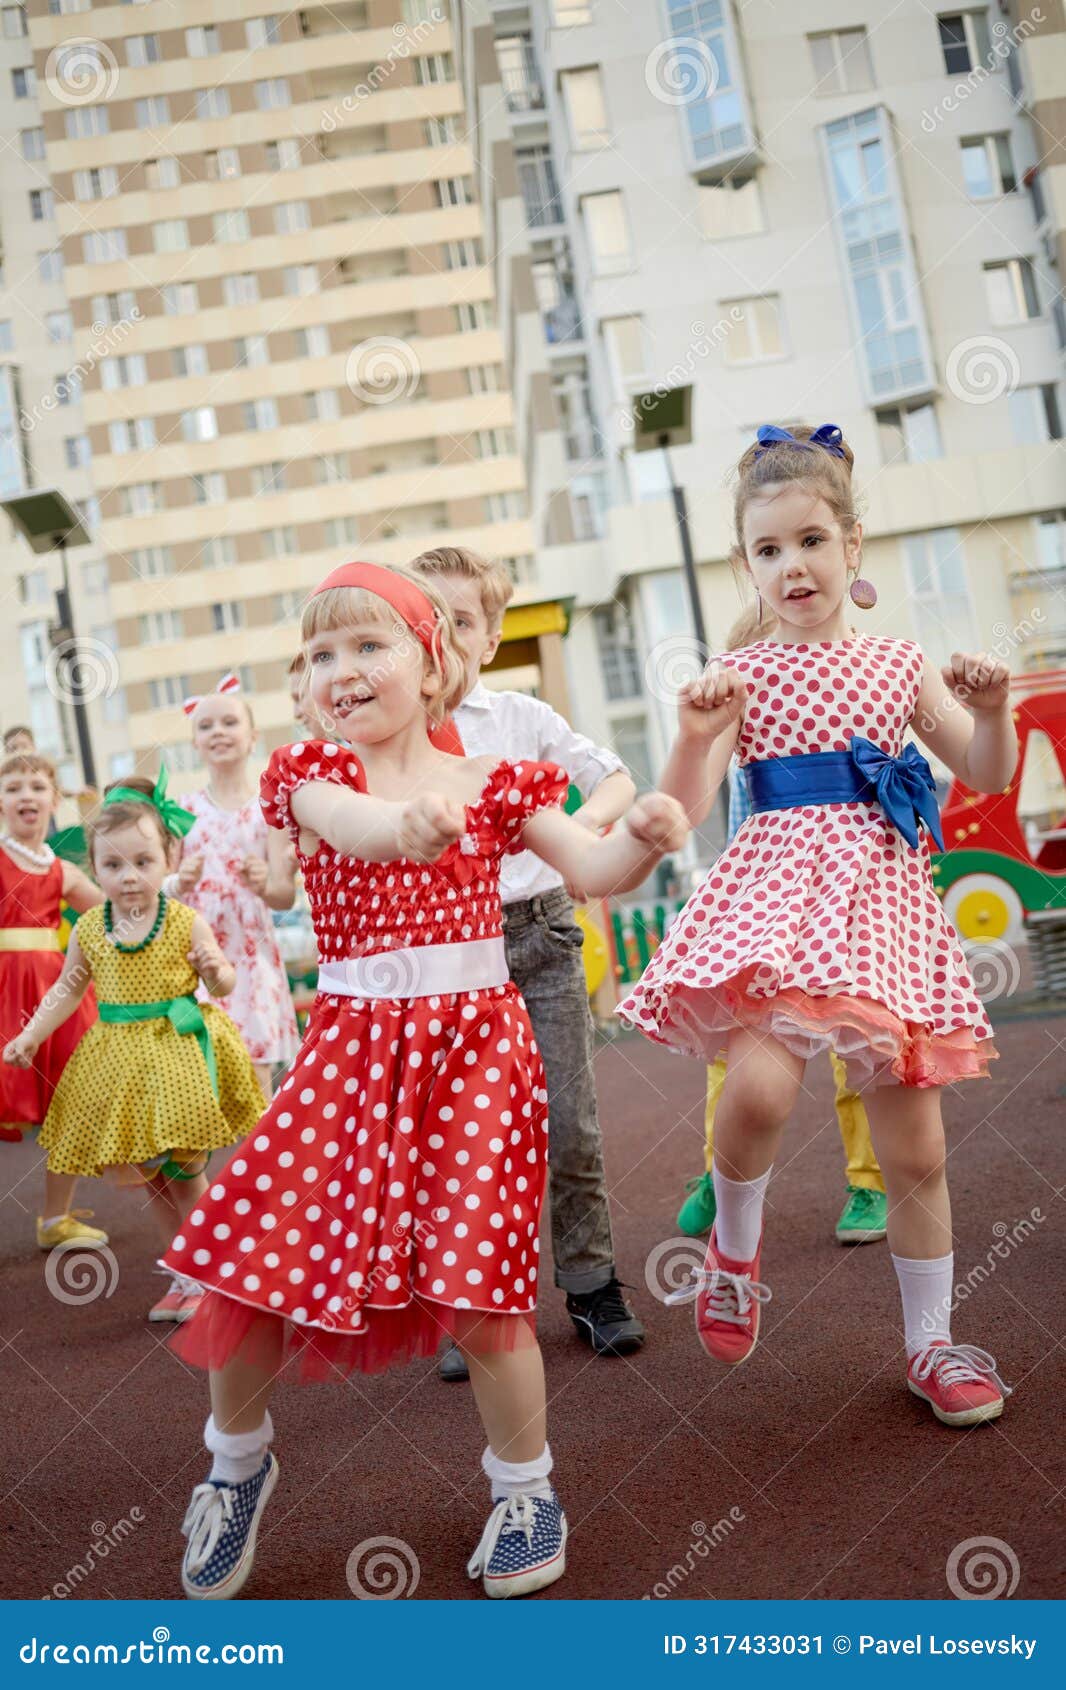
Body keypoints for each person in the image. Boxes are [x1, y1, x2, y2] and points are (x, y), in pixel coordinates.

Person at [159, 561, 687, 1601]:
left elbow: (590, 866)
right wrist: (399, 830)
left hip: (475, 1053)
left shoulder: (496, 779)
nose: (338, 671)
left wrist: (648, 834)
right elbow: (354, 827)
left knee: (482, 1282)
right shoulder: (311, 775)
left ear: (431, 660)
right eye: (317, 655)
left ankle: (525, 1490)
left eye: (366, 645)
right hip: (351, 1048)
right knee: (247, 1261)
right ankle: (235, 1466)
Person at [618, 422, 1018, 1430]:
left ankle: (931, 1342)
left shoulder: (895, 661)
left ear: (851, 546)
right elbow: (680, 805)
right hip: (776, 905)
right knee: (753, 1094)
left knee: (914, 1146)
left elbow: (980, 772)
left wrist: (997, 708)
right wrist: (691, 732)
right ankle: (734, 1254)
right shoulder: (737, 675)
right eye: (767, 549)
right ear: (746, 565)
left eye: (808, 540)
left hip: (884, 910)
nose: (790, 565)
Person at [411, 545, 646, 1379]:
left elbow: (611, 776)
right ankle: (470, 1305)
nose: (440, 641)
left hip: (538, 936)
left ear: (491, 634)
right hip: (445, 950)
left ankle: (590, 1282)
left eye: (460, 623)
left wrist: (580, 830)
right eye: (423, 624)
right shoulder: (396, 735)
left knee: (567, 1120)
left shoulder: (523, 720)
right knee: (459, 1139)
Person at [4, 773, 265, 1323]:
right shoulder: (91, 929)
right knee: (152, 1176)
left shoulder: (183, 921)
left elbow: (223, 985)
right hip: (123, 1068)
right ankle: (182, 1272)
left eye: (143, 863)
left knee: (186, 1173)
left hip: (178, 1061)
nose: (128, 878)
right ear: (94, 868)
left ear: (168, 858)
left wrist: (215, 971)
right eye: (114, 866)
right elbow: (67, 988)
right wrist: (30, 1035)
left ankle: (209, 1271)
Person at [678, 620, 887, 1249]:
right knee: (735, 1050)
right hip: (765, 898)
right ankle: (724, 1168)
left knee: (860, 1037)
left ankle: (870, 1181)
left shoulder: (862, 683)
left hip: (845, 896)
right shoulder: (749, 707)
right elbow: (719, 810)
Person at [167, 676, 300, 1102]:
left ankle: (257, 1159)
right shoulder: (182, 812)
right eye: (206, 726)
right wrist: (178, 881)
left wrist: (266, 883)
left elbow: (285, 895)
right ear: (194, 743)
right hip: (198, 958)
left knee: (255, 1077)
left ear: (252, 737)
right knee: (202, 1065)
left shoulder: (269, 809)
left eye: (229, 722)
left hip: (251, 955)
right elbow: (160, 894)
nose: (218, 732)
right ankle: (209, 1166)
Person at [0, 750, 105, 1248]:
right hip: (3, 992)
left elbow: (114, 913)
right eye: (14, 787)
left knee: (69, 1103)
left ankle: (54, 1219)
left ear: (54, 800)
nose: (26, 796)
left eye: (37, 787)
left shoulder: (61, 869)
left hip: (55, 997)